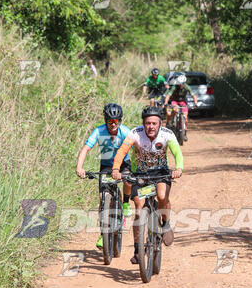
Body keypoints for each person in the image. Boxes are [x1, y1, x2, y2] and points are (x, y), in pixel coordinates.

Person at [111, 106, 183, 265]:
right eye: (148, 123)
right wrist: (116, 169)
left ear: (160, 124)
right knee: (139, 208)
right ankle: (138, 249)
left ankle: (166, 224)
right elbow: (122, 151)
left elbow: (177, 153)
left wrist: (178, 168)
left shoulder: (167, 134)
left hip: (161, 173)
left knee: (162, 196)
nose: (151, 126)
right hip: (141, 175)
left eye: (154, 123)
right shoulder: (135, 134)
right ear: (143, 123)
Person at [76, 103, 133, 249]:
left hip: (123, 163)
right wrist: (79, 167)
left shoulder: (125, 131)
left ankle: (125, 202)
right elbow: (86, 149)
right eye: (110, 121)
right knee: (103, 198)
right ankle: (103, 233)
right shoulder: (99, 131)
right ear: (105, 120)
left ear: (120, 121)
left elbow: (138, 149)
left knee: (128, 182)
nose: (113, 124)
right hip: (106, 165)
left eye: (116, 121)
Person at [164, 74, 198, 141]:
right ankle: (172, 122)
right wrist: (165, 102)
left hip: (183, 102)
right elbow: (168, 95)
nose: (181, 85)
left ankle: (184, 133)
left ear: (185, 83)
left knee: (185, 118)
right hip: (175, 101)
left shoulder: (187, 87)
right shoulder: (174, 87)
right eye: (179, 84)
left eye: (182, 84)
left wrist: (196, 103)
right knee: (174, 109)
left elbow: (193, 95)